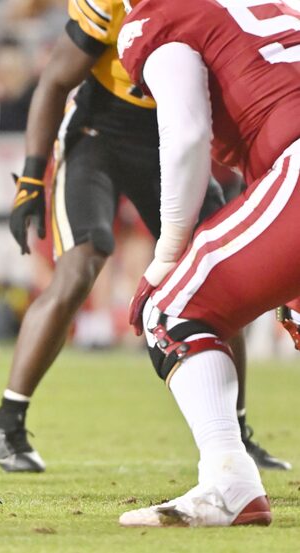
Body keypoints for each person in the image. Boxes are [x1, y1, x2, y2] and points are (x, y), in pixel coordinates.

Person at [0, 0, 288, 473]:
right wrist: (30, 180)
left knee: (218, 273)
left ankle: (236, 430)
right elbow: (56, 80)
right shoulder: (113, 6)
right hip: (99, 134)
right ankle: (8, 419)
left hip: (175, 136)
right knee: (81, 264)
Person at [115, 0, 300, 527]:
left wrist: (168, 254)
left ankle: (228, 484)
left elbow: (188, 133)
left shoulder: (162, 17)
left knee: (172, 306)